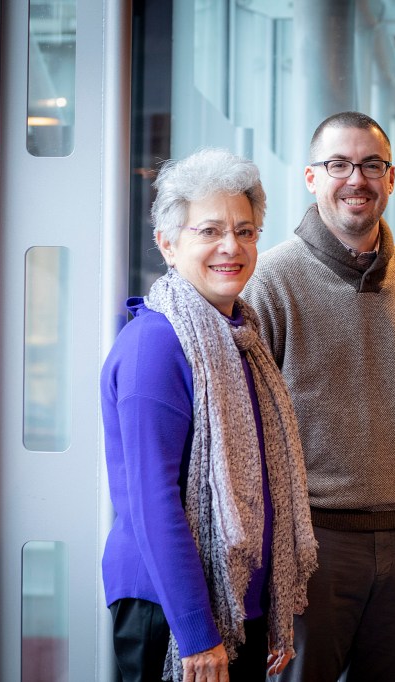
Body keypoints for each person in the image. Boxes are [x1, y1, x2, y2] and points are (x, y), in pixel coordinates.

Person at [242, 111, 395, 682]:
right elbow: (242, 432)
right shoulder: (269, 282)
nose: (357, 178)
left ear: (390, 179)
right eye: (339, 164)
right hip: (309, 546)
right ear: (310, 177)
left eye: (371, 165)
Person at [100, 148, 317, 682]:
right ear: (168, 244)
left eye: (245, 231)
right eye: (210, 231)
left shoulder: (240, 336)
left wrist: (264, 606)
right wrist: (198, 633)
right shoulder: (156, 344)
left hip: (234, 606)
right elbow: (154, 506)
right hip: (172, 611)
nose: (232, 247)